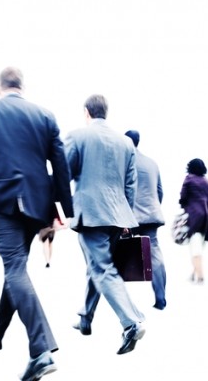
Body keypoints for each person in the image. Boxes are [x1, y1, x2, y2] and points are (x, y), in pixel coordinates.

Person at [0, 67, 73, 381]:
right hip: (37, 203)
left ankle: (40, 351)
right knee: (17, 267)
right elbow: (60, 164)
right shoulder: (45, 116)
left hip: (0, 201)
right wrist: (65, 208)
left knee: (15, 267)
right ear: (21, 87)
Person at [65, 95, 146, 355]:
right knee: (98, 266)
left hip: (91, 215)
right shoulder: (125, 143)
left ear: (86, 112)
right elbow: (130, 185)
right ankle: (86, 317)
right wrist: (126, 219)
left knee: (102, 269)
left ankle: (131, 322)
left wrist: (58, 209)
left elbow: (64, 174)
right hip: (118, 215)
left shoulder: (78, 136)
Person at [124, 129, 168, 310]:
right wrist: (151, 209)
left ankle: (121, 300)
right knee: (154, 253)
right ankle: (160, 298)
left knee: (115, 252)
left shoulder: (123, 161)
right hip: (151, 215)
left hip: (130, 216)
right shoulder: (152, 163)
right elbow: (160, 191)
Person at [179, 158, 208, 284]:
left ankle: (200, 277)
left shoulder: (189, 179)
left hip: (195, 218)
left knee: (195, 249)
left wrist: (185, 207)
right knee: (199, 247)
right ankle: (193, 274)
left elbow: (183, 198)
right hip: (207, 220)